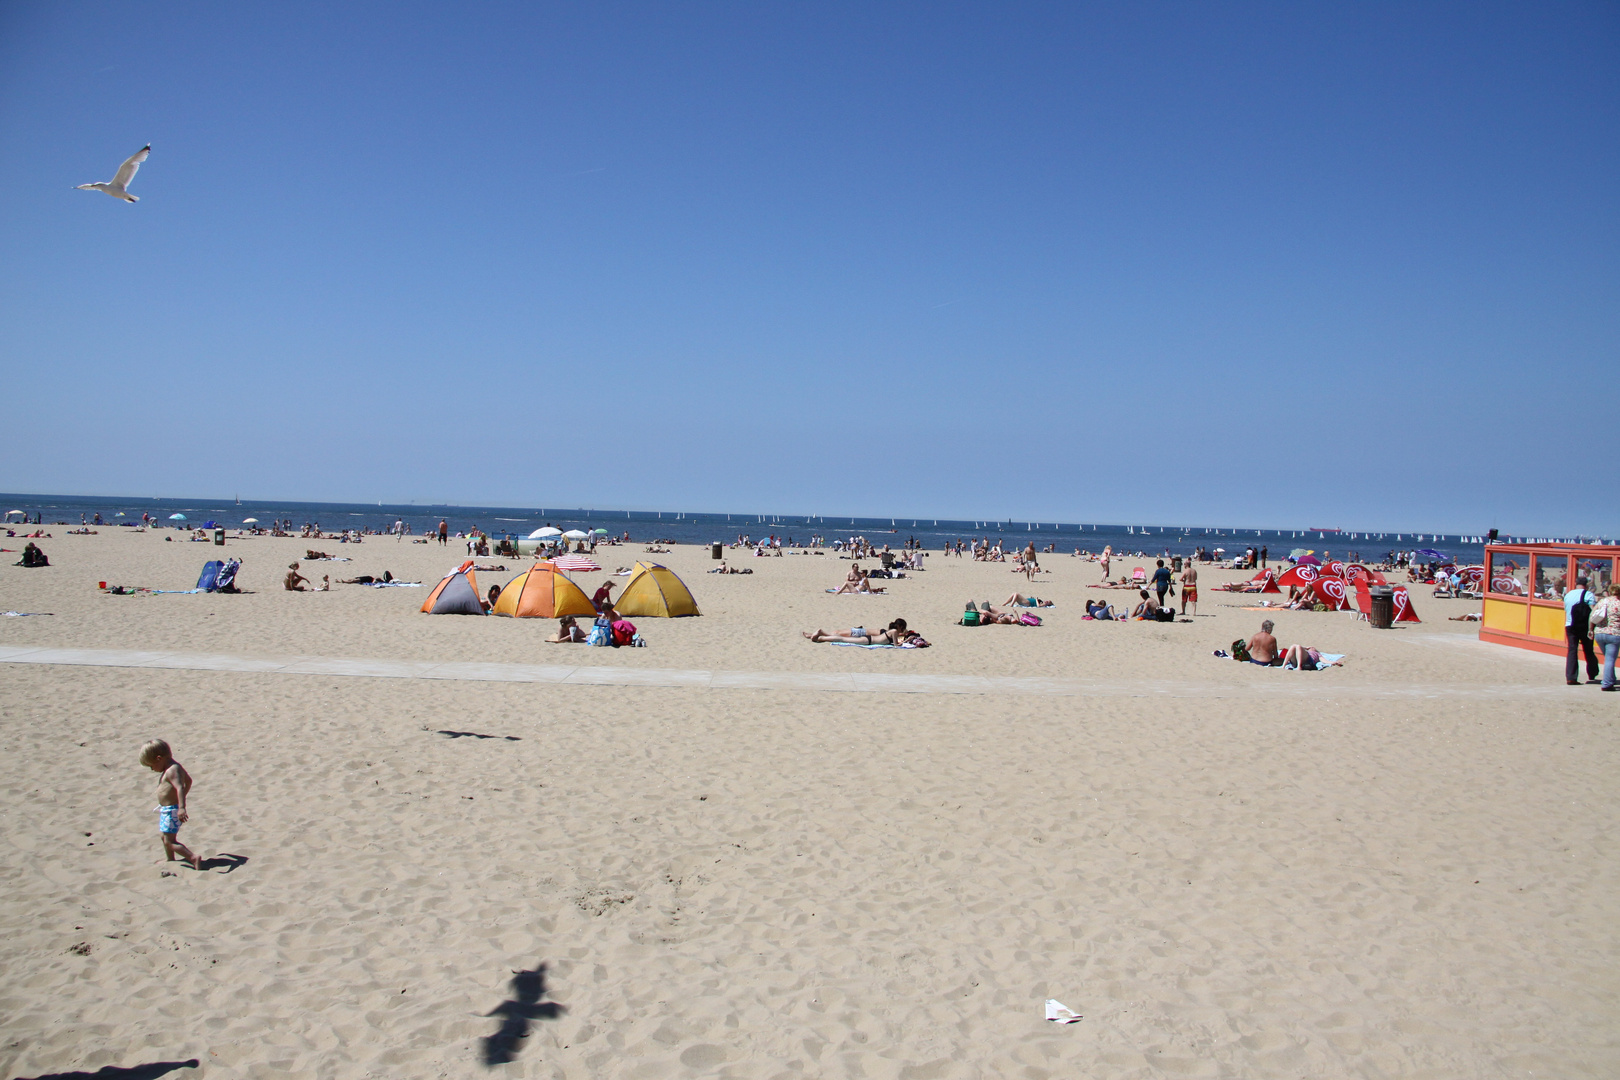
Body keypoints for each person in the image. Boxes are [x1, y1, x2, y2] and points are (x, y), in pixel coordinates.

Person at [140, 740, 199, 869]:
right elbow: (188, 781)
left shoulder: (171, 771)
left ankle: (193, 858)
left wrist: (181, 806)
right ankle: (170, 859)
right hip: (168, 809)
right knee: (164, 836)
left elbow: (179, 787)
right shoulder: (175, 767)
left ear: (159, 758)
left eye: (151, 766)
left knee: (169, 841)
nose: (152, 769)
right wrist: (181, 799)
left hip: (172, 811)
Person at [1564, 574, 1600, 685]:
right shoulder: (1588, 594)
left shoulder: (1568, 594)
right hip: (1584, 626)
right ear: (1586, 585)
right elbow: (1593, 611)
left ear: (1576, 583)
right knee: (1588, 650)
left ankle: (1571, 677)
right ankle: (1592, 673)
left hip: (1570, 625)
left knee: (1572, 650)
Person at [1589, 583, 1620, 691]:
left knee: (1608, 658)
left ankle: (1610, 678)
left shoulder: (1603, 601)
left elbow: (1592, 615)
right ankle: (1607, 683)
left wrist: (1590, 629)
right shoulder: (1618, 603)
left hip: (1600, 633)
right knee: (1610, 659)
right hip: (1614, 634)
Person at [803, 619, 911, 644]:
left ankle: (818, 635)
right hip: (863, 635)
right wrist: (908, 638)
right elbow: (897, 643)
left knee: (840, 635)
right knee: (840, 637)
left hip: (865, 635)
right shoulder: (894, 632)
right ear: (900, 627)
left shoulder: (889, 631)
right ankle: (819, 637)